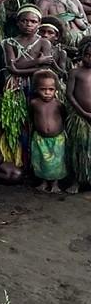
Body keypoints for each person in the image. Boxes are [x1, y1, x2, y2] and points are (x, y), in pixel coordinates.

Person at [0, 6, 54, 170]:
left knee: (35, 119)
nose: (28, 24)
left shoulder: (44, 42)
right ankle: (19, 160)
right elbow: (11, 68)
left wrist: (20, 68)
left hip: (38, 86)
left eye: (33, 21)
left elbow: (45, 71)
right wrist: (37, 62)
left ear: (39, 23)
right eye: (24, 21)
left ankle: (37, 163)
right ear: (17, 23)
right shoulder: (10, 42)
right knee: (18, 122)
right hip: (15, 86)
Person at [29, 70, 67, 193]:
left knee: (57, 162)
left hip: (57, 139)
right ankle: (43, 182)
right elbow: (31, 118)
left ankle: (55, 183)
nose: (47, 93)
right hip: (40, 138)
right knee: (41, 161)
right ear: (36, 89)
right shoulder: (34, 103)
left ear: (56, 89)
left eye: (51, 89)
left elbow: (64, 116)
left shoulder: (58, 104)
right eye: (43, 89)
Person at [65, 37, 91, 193]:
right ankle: (76, 181)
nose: (90, 58)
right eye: (87, 54)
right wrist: (83, 113)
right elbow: (69, 95)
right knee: (78, 148)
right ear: (81, 54)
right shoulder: (75, 72)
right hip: (80, 117)